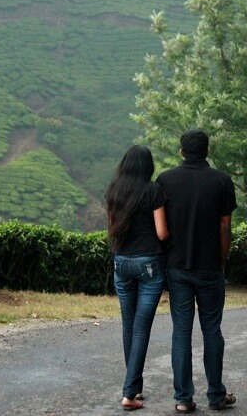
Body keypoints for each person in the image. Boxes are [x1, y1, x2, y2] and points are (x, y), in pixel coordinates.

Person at [157, 129, 238, 413]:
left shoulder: (165, 180)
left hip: (177, 267)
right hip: (210, 267)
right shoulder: (222, 181)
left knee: (181, 331)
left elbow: (161, 228)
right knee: (212, 330)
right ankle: (216, 395)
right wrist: (222, 259)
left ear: (181, 151)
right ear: (207, 151)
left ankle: (183, 398)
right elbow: (225, 227)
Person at [105, 145, 170, 411]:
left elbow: (112, 227)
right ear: (148, 166)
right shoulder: (153, 191)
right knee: (141, 328)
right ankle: (129, 394)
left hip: (121, 262)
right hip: (148, 264)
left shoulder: (114, 191)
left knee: (128, 325)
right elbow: (162, 232)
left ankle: (136, 386)